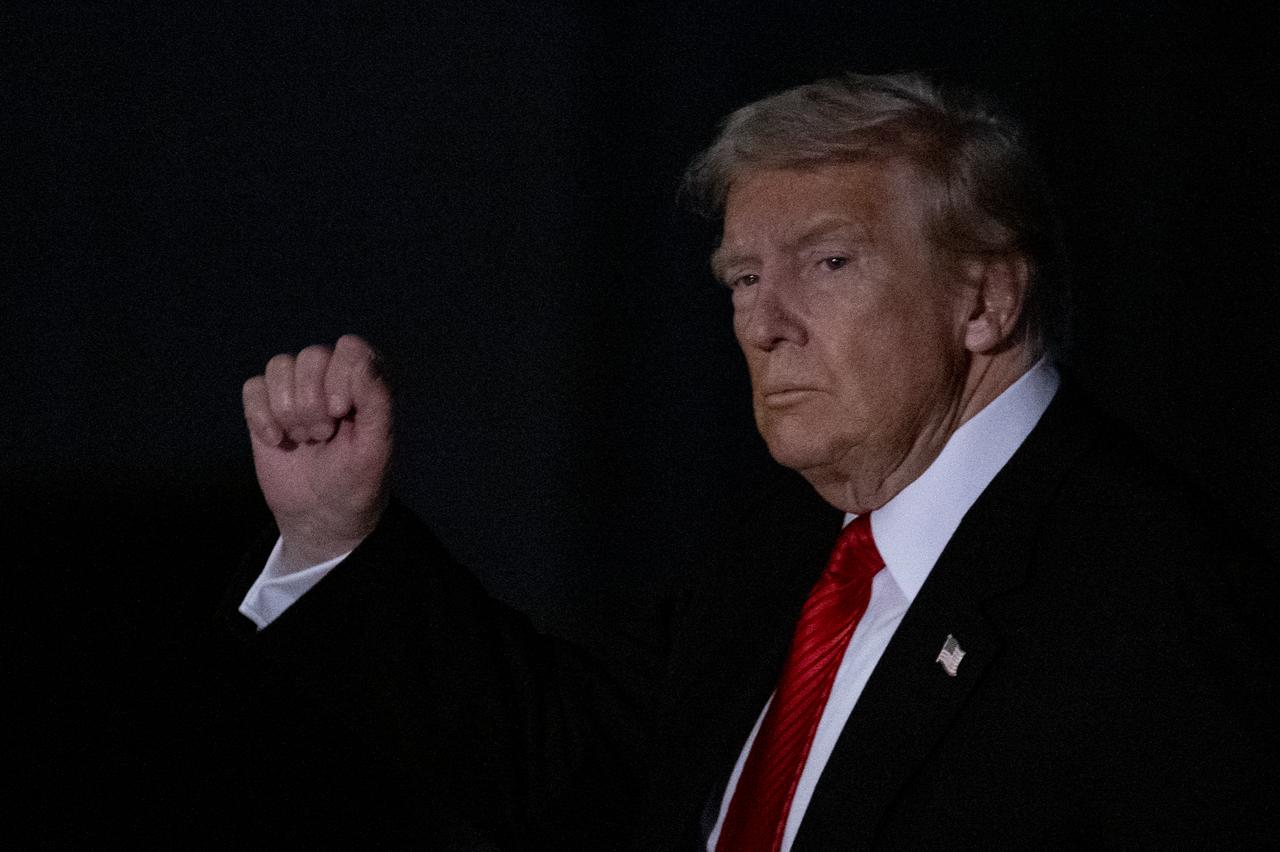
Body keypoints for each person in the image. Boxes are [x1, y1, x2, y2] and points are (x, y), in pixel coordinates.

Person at [229, 73, 1275, 848]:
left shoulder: (1157, 597)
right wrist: (334, 537)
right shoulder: (789, 550)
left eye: (827, 262)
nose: (763, 322)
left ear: (985, 300)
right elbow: (558, 763)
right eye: (739, 278)